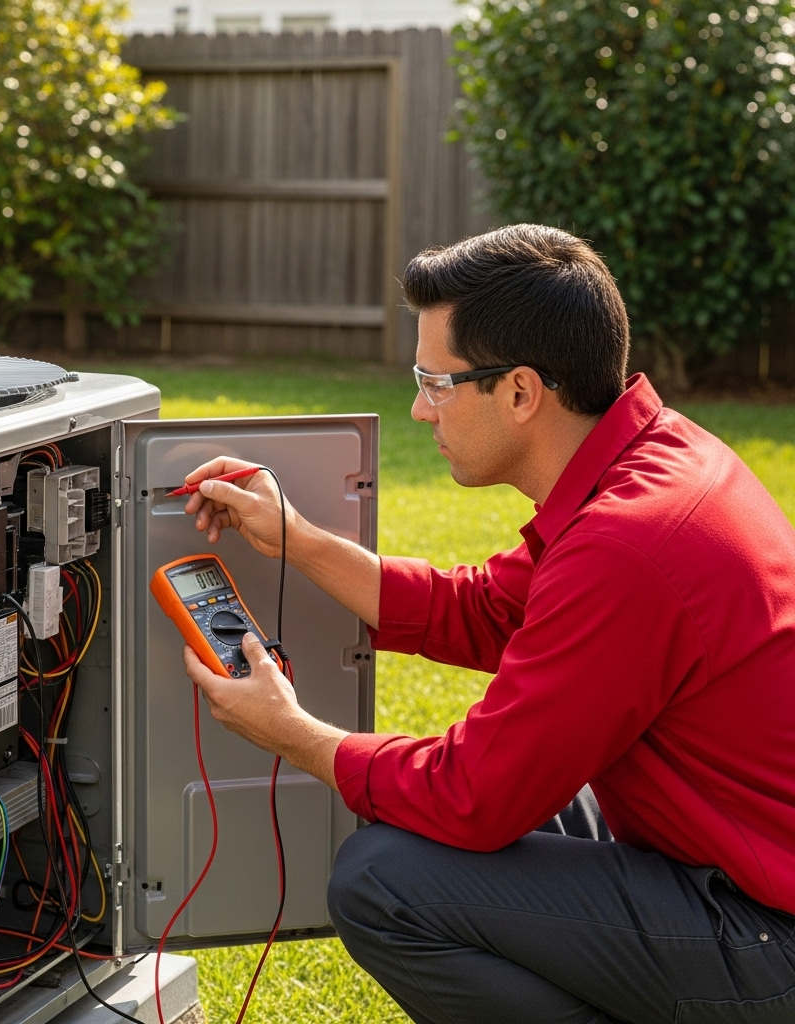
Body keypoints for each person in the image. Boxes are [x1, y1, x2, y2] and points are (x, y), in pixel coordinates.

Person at [178, 224, 795, 1024]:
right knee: (442, 821)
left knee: (383, 881)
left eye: (436, 382)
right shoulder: (652, 461)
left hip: (764, 934)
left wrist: (293, 733)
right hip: (729, 863)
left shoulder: (627, 543)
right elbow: (484, 610)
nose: (419, 409)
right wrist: (301, 541)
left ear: (520, 392)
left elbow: (474, 795)